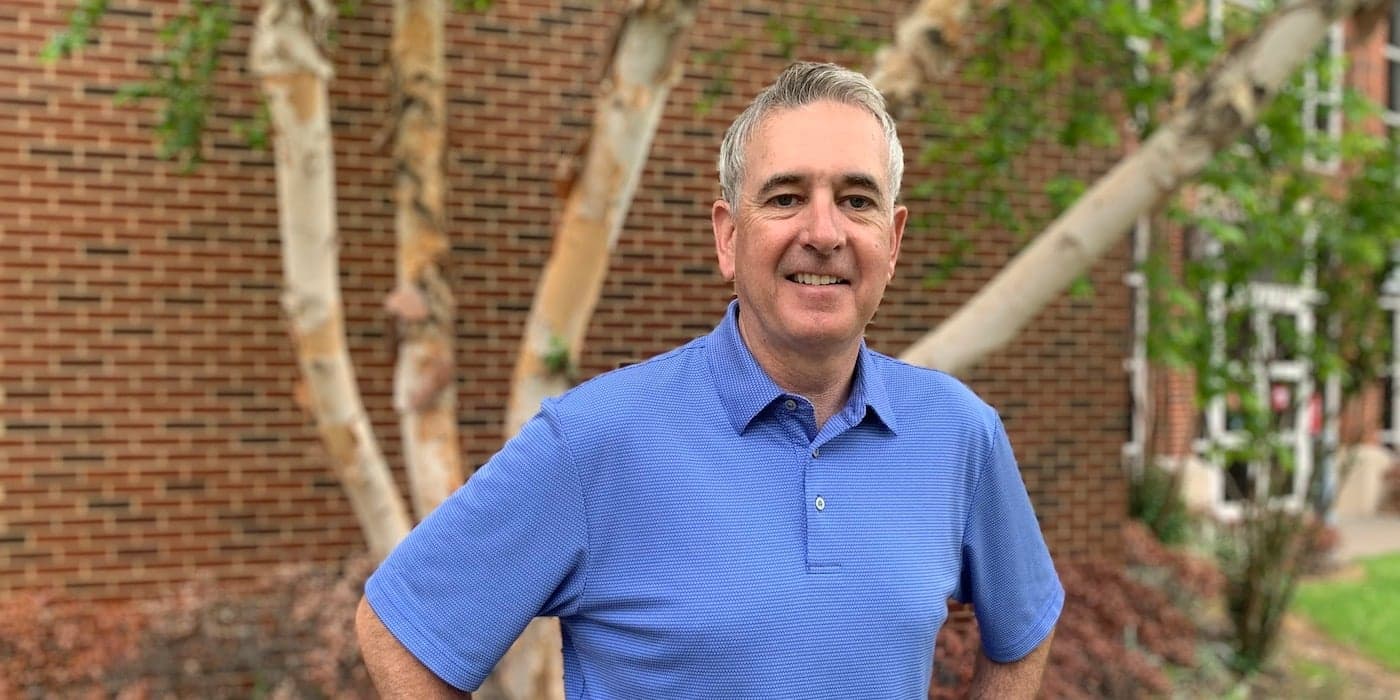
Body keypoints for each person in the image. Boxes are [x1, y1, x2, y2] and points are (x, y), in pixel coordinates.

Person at [356, 61, 1061, 699]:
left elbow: (1023, 632)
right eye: (786, 198)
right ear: (728, 237)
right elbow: (402, 631)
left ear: (894, 240)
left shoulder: (959, 434)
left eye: (856, 200)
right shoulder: (597, 441)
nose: (824, 231)